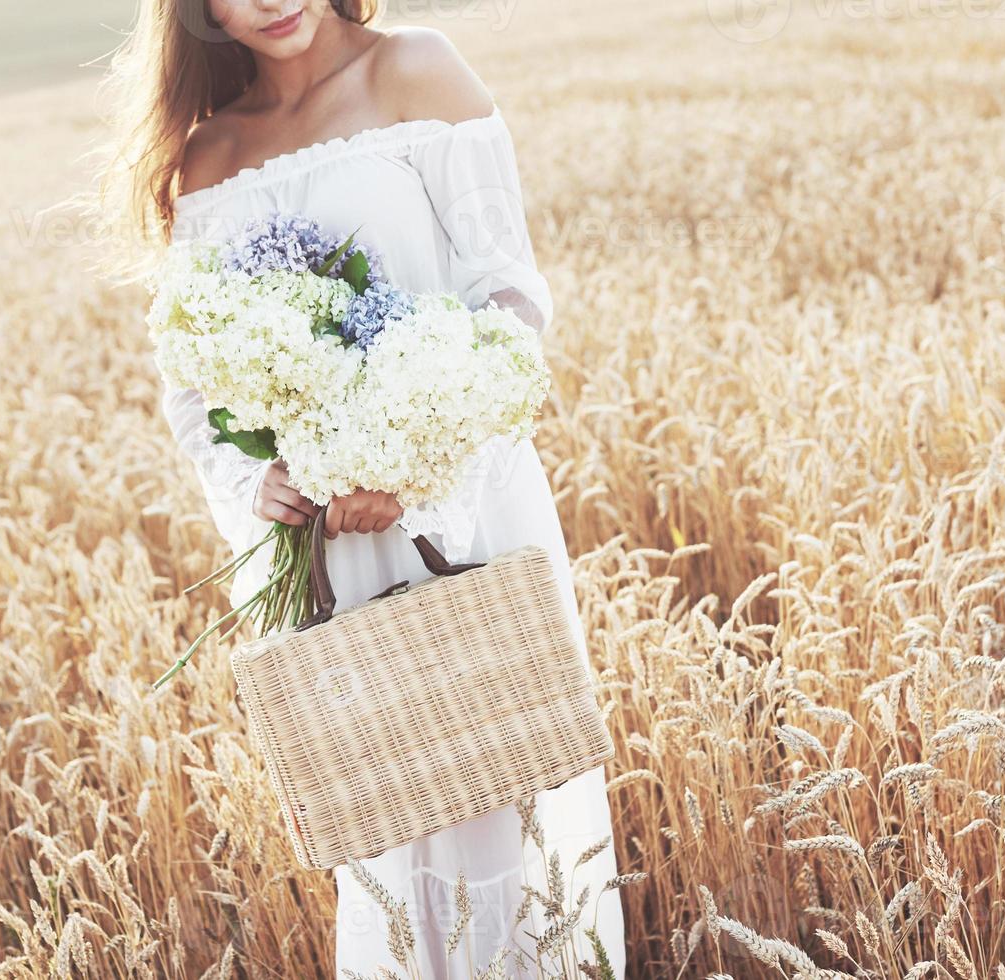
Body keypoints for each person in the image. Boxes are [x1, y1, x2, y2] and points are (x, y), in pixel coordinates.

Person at [99, 1, 626, 975]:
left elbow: (507, 300)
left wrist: (410, 467)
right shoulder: (208, 155)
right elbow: (191, 386)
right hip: (327, 554)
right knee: (388, 844)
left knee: (507, 828)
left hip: (461, 514)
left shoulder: (414, 70)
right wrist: (259, 479)